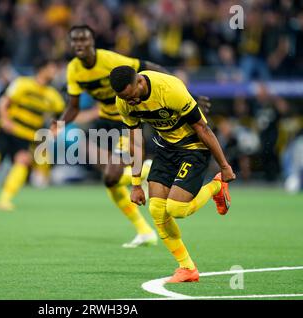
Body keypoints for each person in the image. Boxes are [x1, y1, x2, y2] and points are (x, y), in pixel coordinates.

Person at [51, 25, 211, 248]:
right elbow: (74, 107)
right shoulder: (73, 70)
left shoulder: (110, 60)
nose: (80, 44)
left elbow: (150, 68)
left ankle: (147, 171)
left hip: (125, 121)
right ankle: (144, 228)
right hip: (103, 121)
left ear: (92, 41)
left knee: (112, 174)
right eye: (75, 40)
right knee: (110, 179)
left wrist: (186, 94)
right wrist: (57, 124)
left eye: (84, 39)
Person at [109, 65, 235, 282]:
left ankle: (216, 186)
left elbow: (202, 128)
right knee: (157, 209)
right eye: (123, 97)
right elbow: (136, 142)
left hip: (194, 147)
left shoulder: (169, 89)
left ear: (139, 81)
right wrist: (136, 184)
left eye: (130, 96)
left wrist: (224, 166)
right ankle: (187, 268)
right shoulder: (123, 102)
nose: (129, 102)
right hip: (166, 148)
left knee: (176, 209)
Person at [0, 59, 64, 211]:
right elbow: (3, 103)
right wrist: (5, 119)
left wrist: (54, 132)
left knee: (23, 161)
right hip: (9, 131)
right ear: (42, 69)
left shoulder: (53, 95)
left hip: (28, 136)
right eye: (52, 68)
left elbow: (61, 116)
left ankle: (4, 199)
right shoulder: (22, 83)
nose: (55, 72)